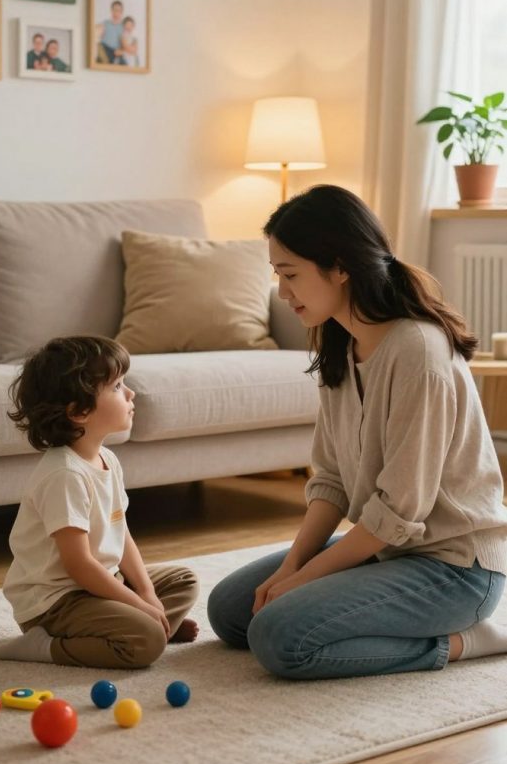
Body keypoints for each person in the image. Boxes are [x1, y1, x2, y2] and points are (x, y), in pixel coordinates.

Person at [207, 185, 507, 680]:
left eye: (290, 274)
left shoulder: (418, 353)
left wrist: (304, 579)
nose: (282, 293)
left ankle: (466, 641)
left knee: (279, 638)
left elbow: (399, 510)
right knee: (230, 611)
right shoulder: (341, 345)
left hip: (455, 569)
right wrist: (292, 568)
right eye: (278, 275)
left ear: (341, 267)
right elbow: (332, 481)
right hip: (389, 551)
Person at [0, 336, 199, 668]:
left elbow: (121, 534)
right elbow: (79, 566)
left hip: (99, 584)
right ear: (79, 411)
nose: (130, 393)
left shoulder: (107, 459)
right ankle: (44, 646)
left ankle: (150, 627)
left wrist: (146, 594)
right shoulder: (64, 475)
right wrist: (139, 605)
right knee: (144, 643)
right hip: (57, 602)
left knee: (184, 580)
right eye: (117, 386)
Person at [96, 0, 125, 64]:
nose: (116, 13)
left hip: (115, 53)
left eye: (118, 10)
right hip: (104, 49)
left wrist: (121, 51)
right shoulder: (105, 23)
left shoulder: (123, 27)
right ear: (111, 10)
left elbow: (125, 45)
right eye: (114, 10)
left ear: (121, 12)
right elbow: (96, 34)